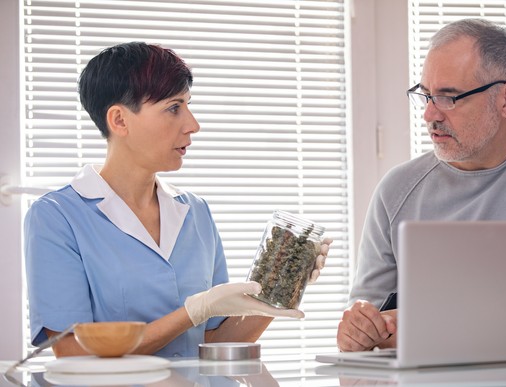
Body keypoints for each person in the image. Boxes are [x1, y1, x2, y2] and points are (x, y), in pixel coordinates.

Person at [24, 42, 332, 358]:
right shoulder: (56, 218)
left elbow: (214, 343)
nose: (193, 125)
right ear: (119, 120)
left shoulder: (195, 212)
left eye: (188, 105)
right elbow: (74, 352)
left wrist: (281, 287)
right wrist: (192, 312)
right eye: (174, 108)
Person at [337, 18, 506, 352]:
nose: (429, 115)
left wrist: (428, 326)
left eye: (449, 97)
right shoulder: (396, 190)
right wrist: (358, 331)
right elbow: (374, 330)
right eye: (426, 95)